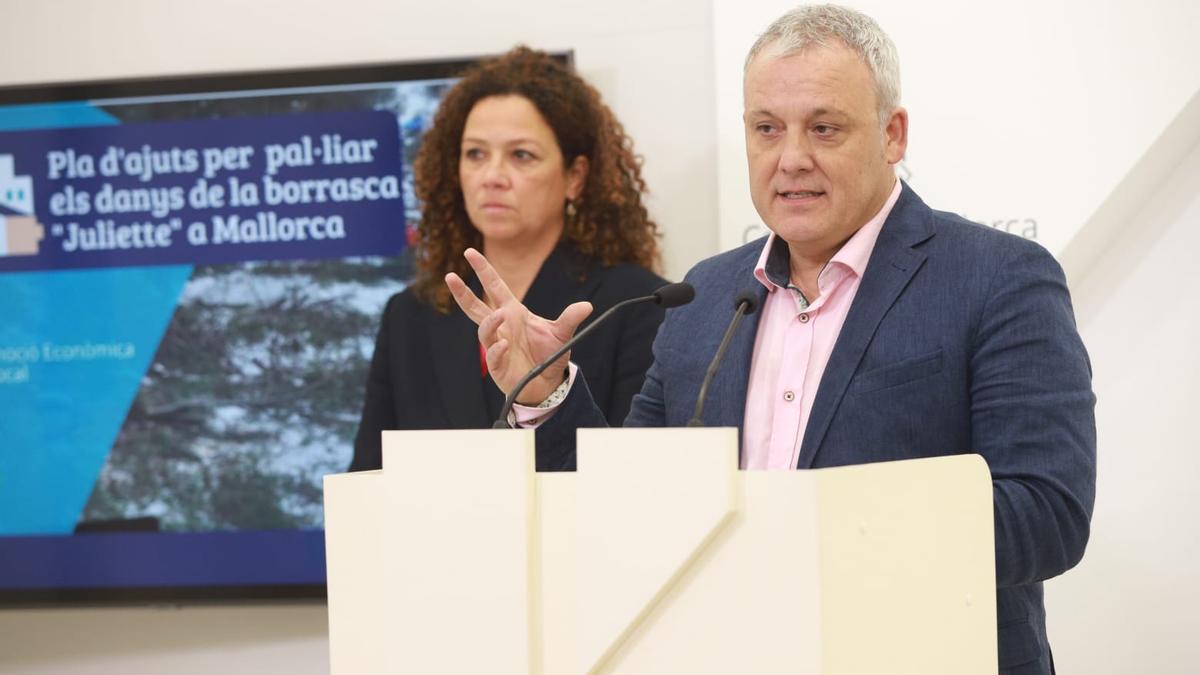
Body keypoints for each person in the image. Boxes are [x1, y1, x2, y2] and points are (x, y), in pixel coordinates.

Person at [446, 6, 1095, 674]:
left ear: (892, 134)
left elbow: (1047, 513)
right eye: (766, 128)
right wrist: (550, 392)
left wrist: (805, 531)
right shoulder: (705, 298)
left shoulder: (997, 277)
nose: (791, 159)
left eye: (824, 128)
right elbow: (625, 504)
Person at [350, 46, 667, 472]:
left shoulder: (636, 304)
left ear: (575, 177)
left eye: (521, 155)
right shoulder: (410, 315)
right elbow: (368, 478)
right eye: (475, 154)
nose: (492, 176)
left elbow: (642, 479)